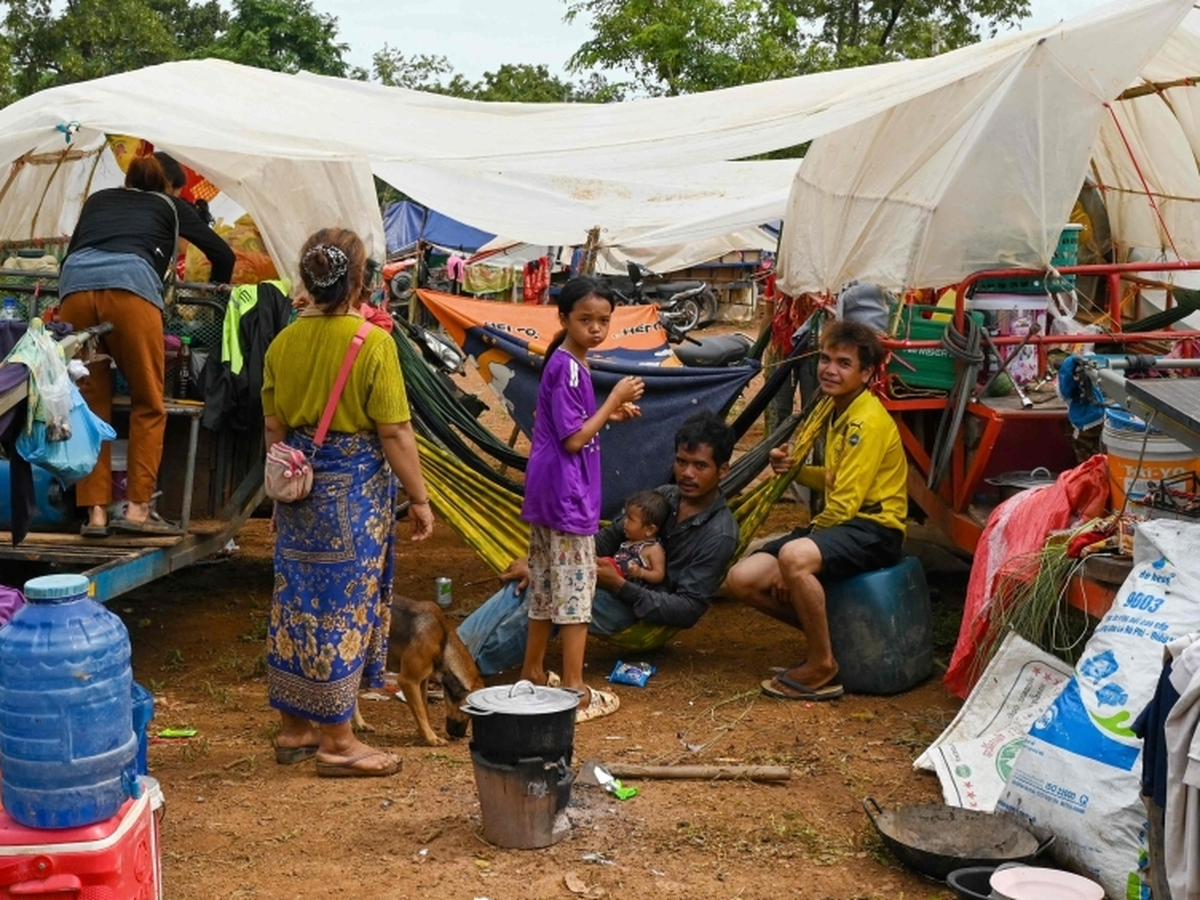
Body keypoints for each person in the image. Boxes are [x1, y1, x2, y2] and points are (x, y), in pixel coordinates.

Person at [262, 228, 434, 778]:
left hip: (297, 486)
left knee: (295, 603)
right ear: (359, 281)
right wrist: (420, 499)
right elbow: (395, 433)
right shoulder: (372, 343)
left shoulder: (282, 343)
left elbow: (274, 428)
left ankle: (295, 729)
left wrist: (283, 491)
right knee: (342, 609)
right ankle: (337, 742)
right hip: (354, 495)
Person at [458, 411, 739, 677]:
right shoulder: (665, 497)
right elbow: (606, 539)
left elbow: (687, 609)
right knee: (530, 580)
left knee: (557, 594)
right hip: (606, 582)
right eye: (681, 462)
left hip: (639, 612)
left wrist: (618, 586)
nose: (687, 473)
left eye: (700, 465)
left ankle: (461, 669)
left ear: (723, 470)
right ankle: (453, 650)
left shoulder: (719, 534)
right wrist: (544, 565)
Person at [723, 320, 908, 701]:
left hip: (876, 528)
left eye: (844, 363)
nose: (830, 369)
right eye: (825, 359)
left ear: (866, 373)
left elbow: (845, 504)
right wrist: (795, 470)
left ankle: (822, 663)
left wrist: (794, 559)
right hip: (848, 523)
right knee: (742, 578)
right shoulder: (838, 411)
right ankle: (838, 639)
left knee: (793, 557)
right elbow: (836, 479)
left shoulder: (865, 421)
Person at [59, 154, 235, 537]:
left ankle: (95, 514)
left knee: (88, 404)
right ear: (168, 186)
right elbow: (223, 254)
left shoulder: (98, 199)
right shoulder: (169, 205)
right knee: (148, 402)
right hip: (131, 291)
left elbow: (74, 251)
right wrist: (215, 300)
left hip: (75, 291)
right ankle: (138, 509)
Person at [519, 276, 645, 723]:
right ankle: (575, 688)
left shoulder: (566, 362)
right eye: (585, 319)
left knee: (544, 585)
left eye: (603, 321)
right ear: (563, 318)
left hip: (548, 492)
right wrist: (614, 400)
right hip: (569, 496)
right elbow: (573, 439)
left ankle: (533, 671)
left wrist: (609, 413)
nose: (595, 328)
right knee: (574, 593)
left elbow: (565, 423)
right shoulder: (571, 367)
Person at [605, 489, 670, 585]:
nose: (625, 522)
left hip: (627, 591)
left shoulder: (653, 549)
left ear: (650, 530)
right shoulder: (628, 542)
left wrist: (641, 573)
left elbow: (659, 575)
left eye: (630, 519)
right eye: (625, 517)